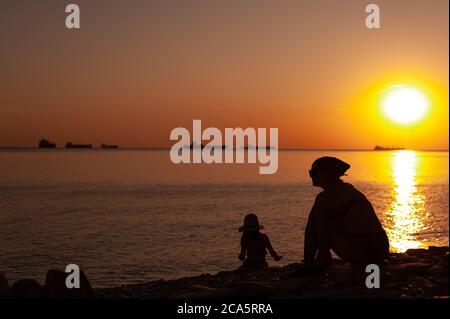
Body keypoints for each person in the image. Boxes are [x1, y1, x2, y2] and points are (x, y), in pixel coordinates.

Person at [302, 156, 389, 272]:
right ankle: (319, 262)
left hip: (365, 252)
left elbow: (318, 231)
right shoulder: (349, 189)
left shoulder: (324, 198)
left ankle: (310, 265)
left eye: (314, 172)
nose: (311, 176)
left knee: (315, 221)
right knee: (321, 220)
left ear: (327, 175)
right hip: (380, 251)